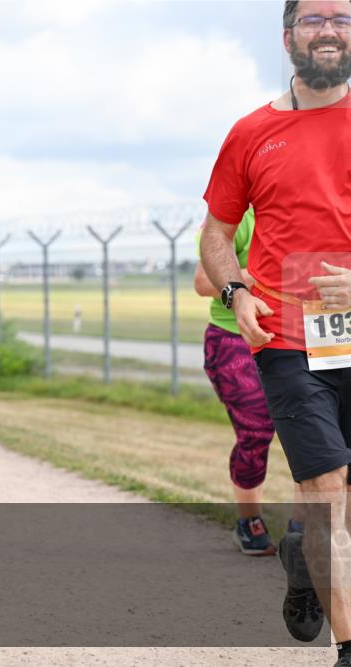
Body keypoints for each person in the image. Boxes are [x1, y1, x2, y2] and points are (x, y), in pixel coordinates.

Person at [200, 1, 350, 660]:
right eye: (315, 18)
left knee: (336, 506)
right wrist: (236, 291)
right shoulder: (250, 133)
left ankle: (301, 553)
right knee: (324, 489)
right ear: (288, 36)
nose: (329, 29)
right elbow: (216, 235)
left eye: (343, 18)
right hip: (289, 342)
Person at [194, 209, 289, 556]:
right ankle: (249, 521)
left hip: (295, 339)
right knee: (257, 429)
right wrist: (266, 278)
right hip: (233, 339)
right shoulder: (238, 215)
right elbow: (203, 282)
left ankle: (314, 523)